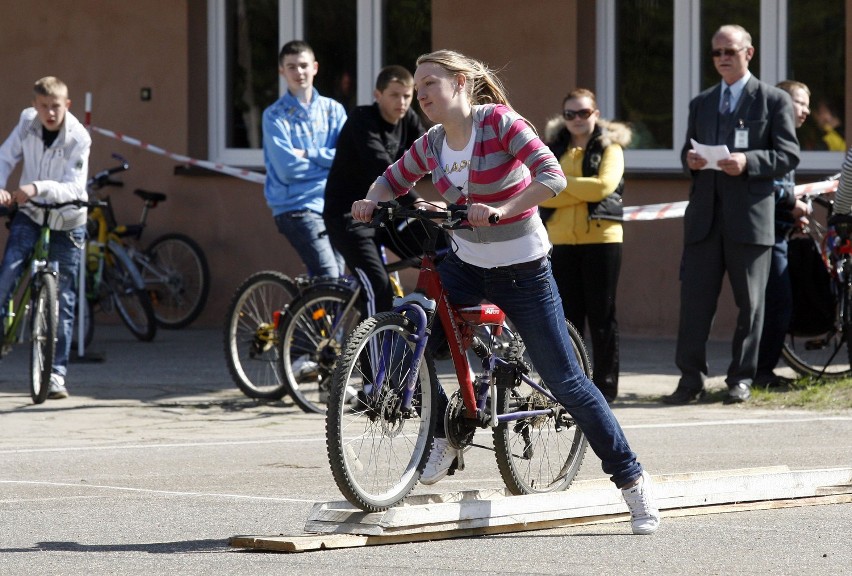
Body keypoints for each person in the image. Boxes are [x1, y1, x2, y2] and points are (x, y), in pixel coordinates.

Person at [351, 49, 659, 535]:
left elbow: (551, 176)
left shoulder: (498, 123)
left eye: (430, 83)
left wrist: (502, 208)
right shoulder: (431, 143)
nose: (423, 94)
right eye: (418, 85)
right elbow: (392, 180)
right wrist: (370, 201)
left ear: (461, 83)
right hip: (467, 265)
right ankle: (451, 428)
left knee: (567, 381)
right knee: (419, 337)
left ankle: (632, 480)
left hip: (523, 271)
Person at [664, 24, 800, 405]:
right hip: (705, 220)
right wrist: (689, 161)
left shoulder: (773, 101)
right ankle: (690, 380)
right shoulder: (702, 102)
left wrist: (748, 160)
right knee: (694, 305)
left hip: (750, 219)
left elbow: (788, 155)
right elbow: (686, 154)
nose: (723, 58)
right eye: (716, 52)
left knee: (751, 306)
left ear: (749, 53)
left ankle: (741, 377)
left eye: (730, 51)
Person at [0, 76, 91, 400]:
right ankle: (3, 330)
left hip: (67, 218)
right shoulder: (27, 123)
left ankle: (55, 375)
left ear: (67, 105)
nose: (50, 113)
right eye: (44, 106)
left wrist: (37, 187)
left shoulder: (78, 136)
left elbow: (75, 188)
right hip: (32, 213)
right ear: (35, 105)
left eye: (56, 106)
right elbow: (6, 156)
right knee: (8, 271)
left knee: (62, 300)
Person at [540, 88, 631, 403]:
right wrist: (574, 187)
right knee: (567, 318)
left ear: (595, 114)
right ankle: (571, 386)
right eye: (570, 114)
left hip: (602, 239)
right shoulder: (553, 148)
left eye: (583, 113)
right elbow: (539, 186)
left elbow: (604, 187)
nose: (577, 119)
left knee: (602, 315)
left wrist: (560, 184)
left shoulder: (610, 146)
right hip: (560, 240)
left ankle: (606, 388)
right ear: (563, 118)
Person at [324, 65, 436, 318]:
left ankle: (437, 336)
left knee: (438, 255)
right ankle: (374, 357)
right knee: (378, 286)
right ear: (378, 94)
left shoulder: (409, 120)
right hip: (349, 217)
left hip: (385, 215)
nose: (402, 102)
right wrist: (417, 201)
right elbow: (383, 167)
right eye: (395, 95)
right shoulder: (362, 120)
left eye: (407, 96)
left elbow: (431, 154)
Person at [262, 40, 346, 278]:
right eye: (291, 67)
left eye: (303, 65)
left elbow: (346, 160)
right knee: (330, 276)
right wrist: (330, 165)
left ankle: (307, 315)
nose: (298, 72)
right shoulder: (274, 116)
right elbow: (288, 169)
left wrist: (310, 154)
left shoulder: (334, 110)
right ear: (281, 71)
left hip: (332, 204)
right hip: (296, 207)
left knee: (338, 277)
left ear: (315, 67)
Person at [755, 81, 813, 387]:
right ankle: (760, 372)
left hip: (779, 231)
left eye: (807, 104)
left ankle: (761, 370)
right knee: (777, 303)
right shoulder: (767, 136)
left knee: (776, 303)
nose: (807, 110)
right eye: (800, 102)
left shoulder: (786, 137)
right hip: (764, 235)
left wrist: (793, 215)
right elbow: (763, 181)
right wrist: (792, 204)